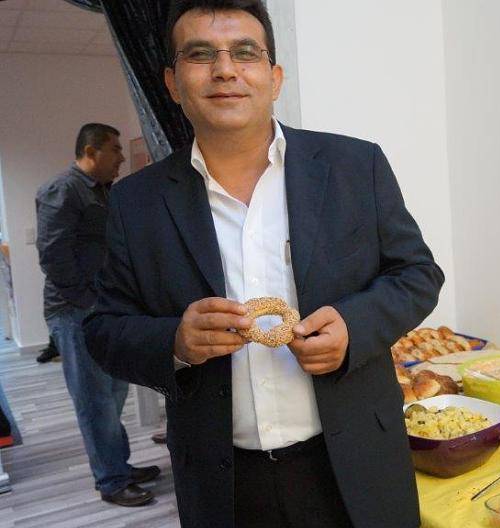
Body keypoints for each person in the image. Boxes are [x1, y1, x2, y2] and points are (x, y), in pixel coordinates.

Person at [83, 1, 444, 527]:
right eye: (200, 54)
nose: (225, 69)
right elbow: (103, 330)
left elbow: (418, 274)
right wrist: (175, 342)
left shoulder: (354, 166)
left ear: (274, 78)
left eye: (245, 52)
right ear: (172, 83)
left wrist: (354, 325)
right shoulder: (136, 202)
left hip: (356, 463)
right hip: (222, 481)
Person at [35, 123, 161, 506]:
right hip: (75, 312)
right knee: (95, 401)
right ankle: (111, 481)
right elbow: (53, 255)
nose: (122, 158)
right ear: (91, 152)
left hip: (103, 308)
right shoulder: (63, 190)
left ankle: (118, 464)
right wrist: (87, 301)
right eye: (115, 150)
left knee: (114, 392)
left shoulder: (102, 191)